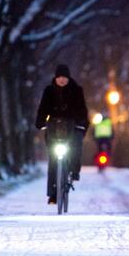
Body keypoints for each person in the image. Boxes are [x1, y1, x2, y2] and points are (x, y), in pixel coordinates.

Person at [35, 64, 89, 204]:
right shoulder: (49, 91)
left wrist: (81, 122)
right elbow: (43, 108)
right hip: (54, 127)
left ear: (68, 78)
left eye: (64, 77)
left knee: (76, 148)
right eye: (59, 77)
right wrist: (40, 122)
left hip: (72, 126)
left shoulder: (76, 90)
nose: (62, 80)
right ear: (56, 78)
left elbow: (82, 109)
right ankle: (53, 193)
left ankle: (74, 171)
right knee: (53, 160)